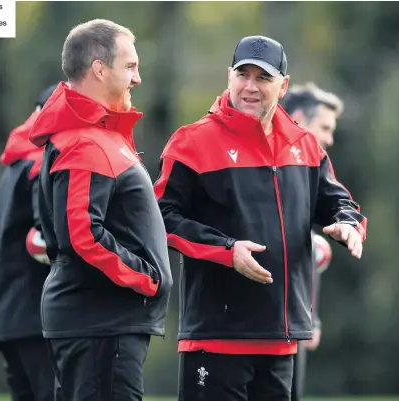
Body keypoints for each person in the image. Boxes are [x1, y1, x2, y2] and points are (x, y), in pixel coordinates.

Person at [154, 36, 367, 401]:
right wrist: (227, 249)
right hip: (215, 339)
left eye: (263, 78)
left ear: (283, 86)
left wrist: (347, 224)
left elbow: (337, 201)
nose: (250, 87)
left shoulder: (304, 144)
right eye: (242, 75)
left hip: (280, 342)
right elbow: (161, 218)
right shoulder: (191, 142)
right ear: (229, 77)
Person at [28, 19, 173, 401]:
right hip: (100, 326)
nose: (137, 78)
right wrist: (150, 278)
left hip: (104, 325)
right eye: (130, 66)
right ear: (98, 69)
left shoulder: (99, 137)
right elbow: (83, 235)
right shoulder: (85, 143)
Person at [0, 83, 57, 401]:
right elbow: (43, 237)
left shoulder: (13, 167)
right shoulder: (39, 164)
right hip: (37, 319)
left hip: (7, 320)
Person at [279, 82, 345, 401]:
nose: (330, 138)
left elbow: (301, 249)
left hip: (294, 323)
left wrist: (311, 316)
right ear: (301, 118)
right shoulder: (267, 163)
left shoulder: (311, 169)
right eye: (325, 127)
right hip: (255, 325)